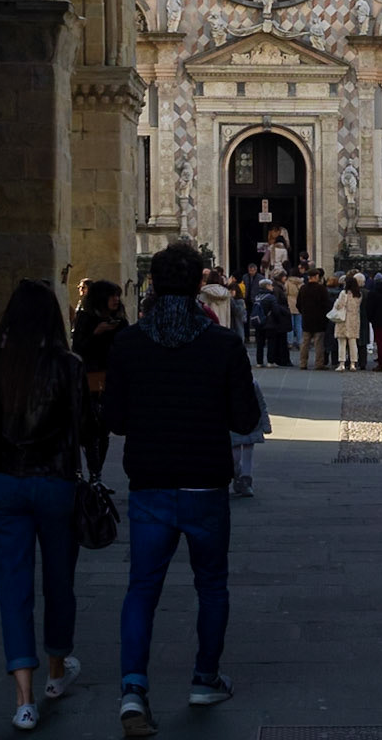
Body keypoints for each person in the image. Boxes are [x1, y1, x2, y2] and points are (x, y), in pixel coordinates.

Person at [102, 239, 261, 736]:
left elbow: (116, 420)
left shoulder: (127, 343)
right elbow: (244, 417)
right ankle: (204, 677)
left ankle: (133, 691)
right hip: (204, 483)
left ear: (151, 283)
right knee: (211, 584)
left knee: (142, 588)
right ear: (199, 285)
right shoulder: (222, 345)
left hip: (149, 481)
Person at [0, 278, 91, 731]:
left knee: (12, 588)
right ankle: (57, 670)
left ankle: (24, 697)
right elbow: (82, 428)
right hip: (55, 483)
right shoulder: (68, 366)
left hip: (4, 484)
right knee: (60, 581)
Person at [71, 279, 128, 474]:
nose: (116, 299)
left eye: (117, 295)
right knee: (90, 428)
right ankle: (89, 471)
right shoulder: (86, 319)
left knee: (104, 430)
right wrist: (96, 333)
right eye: (112, 295)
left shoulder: (120, 321)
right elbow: (78, 348)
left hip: (111, 379)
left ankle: (97, 474)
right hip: (91, 380)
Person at [230, 378, 271, 498]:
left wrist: (265, 423)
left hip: (251, 422)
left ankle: (245, 479)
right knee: (235, 456)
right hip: (234, 423)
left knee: (248, 452)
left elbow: (261, 404)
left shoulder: (253, 384)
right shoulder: (226, 383)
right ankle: (238, 474)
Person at [296, 267, 333, 370]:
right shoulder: (321, 289)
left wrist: (303, 312)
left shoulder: (303, 288)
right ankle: (319, 363)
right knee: (319, 343)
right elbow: (327, 304)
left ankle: (303, 363)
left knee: (305, 343)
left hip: (306, 318)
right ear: (316, 277)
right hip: (319, 319)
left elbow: (298, 304)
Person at [255, 279, 290, 367]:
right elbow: (276, 311)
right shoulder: (271, 297)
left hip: (259, 322)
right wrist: (278, 320)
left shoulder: (257, 297)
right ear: (267, 286)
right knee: (271, 342)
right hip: (270, 323)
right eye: (271, 285)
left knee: (260, 343)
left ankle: (259, 362)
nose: (272, 287)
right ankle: (270, 361)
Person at [332, 273, 364, 369]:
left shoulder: (344, 293)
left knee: (342, 343)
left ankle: (342, 363)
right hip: (354, 319)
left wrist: (336, 302)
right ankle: (353, 363)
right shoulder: (359, 294)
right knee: (353, 342)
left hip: (343, 319)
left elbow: (339, 305)